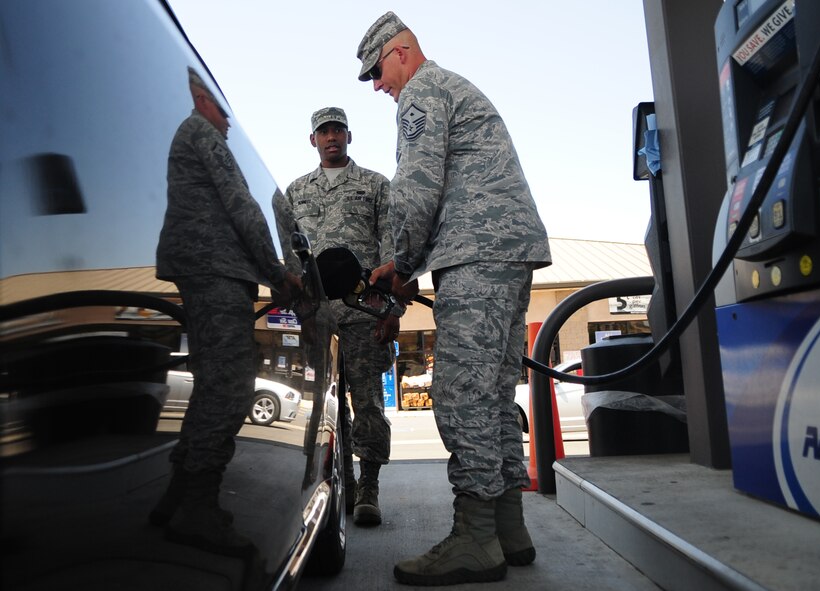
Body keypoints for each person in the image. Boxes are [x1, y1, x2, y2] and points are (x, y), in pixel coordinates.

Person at [356, 12, 552, 586]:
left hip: (475, 251)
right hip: (505, 251)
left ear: (401, 52)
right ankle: (507, 529)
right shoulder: (453, 86)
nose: (377, 86)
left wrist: (400, 263)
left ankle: (474, 539)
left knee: (460, 393)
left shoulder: (420, 93)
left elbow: (415, 185)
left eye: (377, 71)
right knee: (492, 396)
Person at [152, 67, 305, 556]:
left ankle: (178, 498)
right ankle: (197, 508)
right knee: (230, 386)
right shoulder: (200, 131)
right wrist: (277, 273)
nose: (228, 122)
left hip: (205, 267)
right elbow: (244, 207)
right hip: (214, 270)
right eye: (221, 108)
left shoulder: (189, 133)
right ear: (201, 99)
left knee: (211, 387)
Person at [273, 107, 396, 527]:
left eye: (337, 130)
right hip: (318, 318)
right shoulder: (295, 191)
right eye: (323, 132)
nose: (331, 138)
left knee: (367, 402)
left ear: (349, 136)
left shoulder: (376, 185)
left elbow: (393, 248)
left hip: (363, 312)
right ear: (313, 140)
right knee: (325, 407)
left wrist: (390, 309)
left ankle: (370, 486)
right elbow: (288, 253)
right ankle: (339, 482)